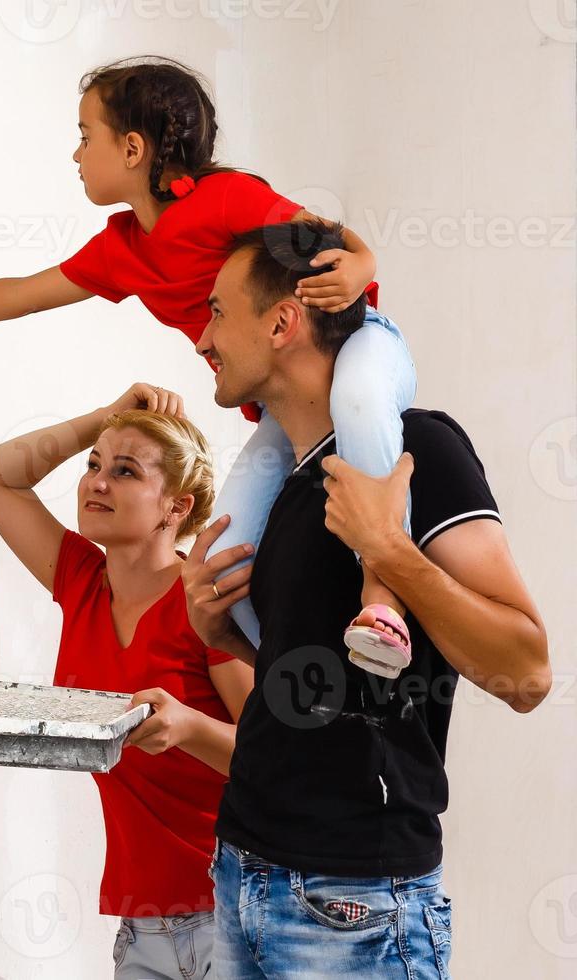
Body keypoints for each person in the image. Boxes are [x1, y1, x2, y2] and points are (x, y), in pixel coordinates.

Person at [0, 55, 417, 675]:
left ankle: (384, 599)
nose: (75, 155)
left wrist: (364, 265)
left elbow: (330, 239)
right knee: (218, 567)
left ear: (131, 148)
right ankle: (286, 679)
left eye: (83, 135)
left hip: (361, 343)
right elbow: (22, 292)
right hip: (283, 411)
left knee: (359, 400)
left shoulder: (223, 200)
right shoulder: (123, 249)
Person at [180, 217, 551, 978]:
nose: (201, 338)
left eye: (218, 311)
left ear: (283, 322)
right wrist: (232, 641)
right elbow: (324, 680)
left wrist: (390, 553)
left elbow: (529, 669)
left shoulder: (423, 451)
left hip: (353, 899)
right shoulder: (288, 484)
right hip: (245, 868)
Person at [0, 381, 254, 979]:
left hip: (237, 909)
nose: (97, 481)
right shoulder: (79, 579)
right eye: (93, 465)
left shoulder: (201, 603)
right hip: (144, 919)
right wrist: (104, 418)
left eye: (125, 472)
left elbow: (279, 761)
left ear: (176, 507)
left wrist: (190, 727)